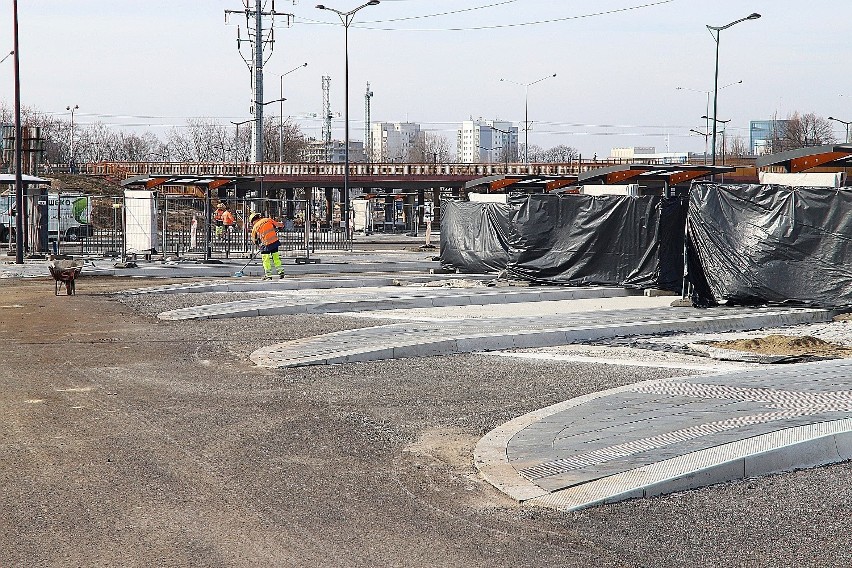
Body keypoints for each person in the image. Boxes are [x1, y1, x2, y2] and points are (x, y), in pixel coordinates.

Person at [249, 212, 285, 279]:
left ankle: (268, 275)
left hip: (265, 244)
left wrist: (258, 245)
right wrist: (282, 226)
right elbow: (278, 224)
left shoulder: (255, 226)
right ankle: (281, 272)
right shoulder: (268, 220)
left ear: (253, 221)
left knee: (266, 260)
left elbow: (254, 239)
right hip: (274, 242)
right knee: (276, 258)